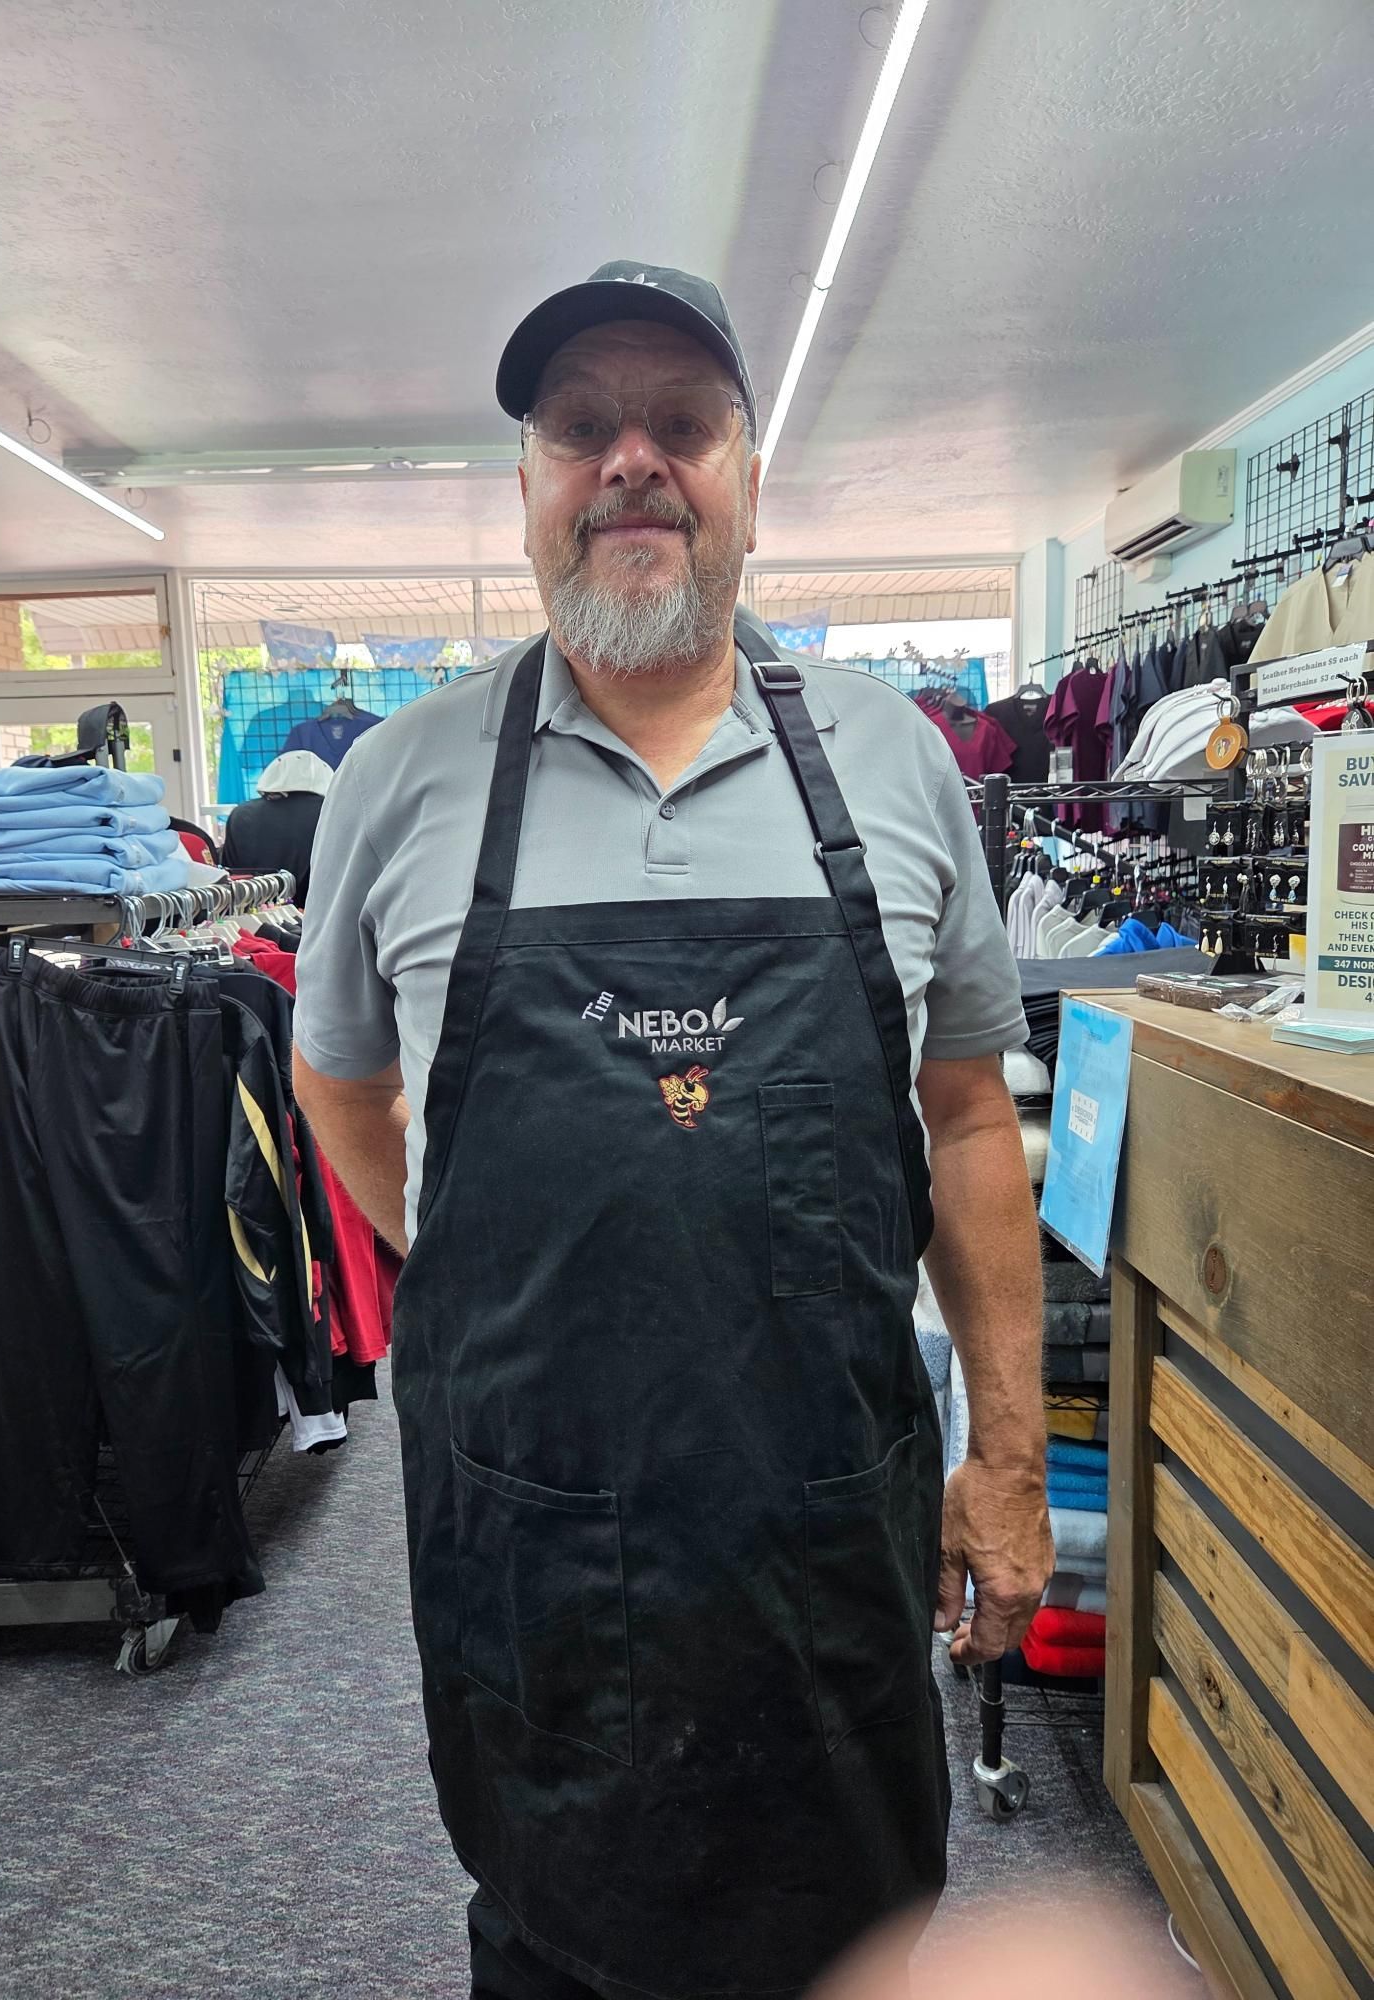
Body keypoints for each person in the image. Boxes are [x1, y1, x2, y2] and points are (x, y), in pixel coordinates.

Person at [292, 261, 1052, 2000]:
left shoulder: (894, 762)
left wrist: (1007, 1469)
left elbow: (964, 1120)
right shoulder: (404, 781)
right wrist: (482, 1255)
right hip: (528, 1541)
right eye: (581, 428)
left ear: (750, 477)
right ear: (530, 486)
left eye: (683, 425)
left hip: (823, 1532)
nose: (633, 460)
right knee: (555, 1940)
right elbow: (338, 1082)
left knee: (851, 1941)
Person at [220, 748, 331, 903]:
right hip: (318, 912)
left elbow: (230, 874)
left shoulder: (241, 814)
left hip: (251, 913)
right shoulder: (330, 811)